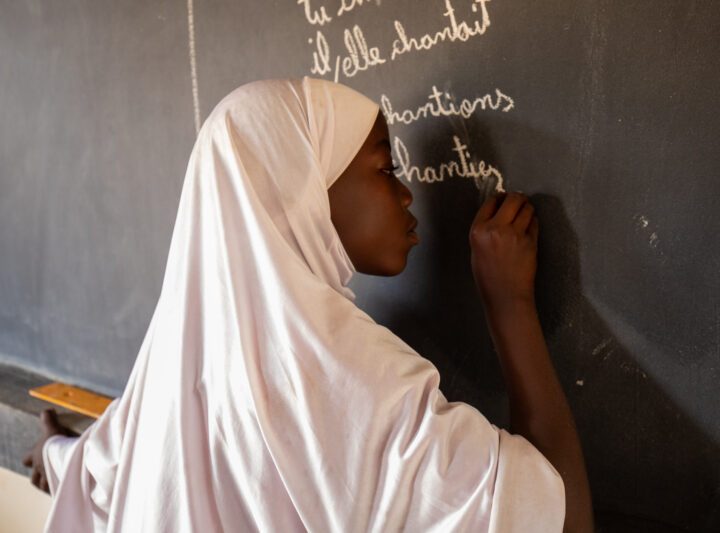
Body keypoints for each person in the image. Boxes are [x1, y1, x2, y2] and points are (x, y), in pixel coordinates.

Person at [23, 77, 593, 532]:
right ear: (301, 190)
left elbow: (109, 465)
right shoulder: (349, 380)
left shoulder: (177, 364)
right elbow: (562, 522)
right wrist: (510, 307)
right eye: (385, 168)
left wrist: (54, 452)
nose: (405, 192)